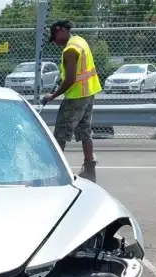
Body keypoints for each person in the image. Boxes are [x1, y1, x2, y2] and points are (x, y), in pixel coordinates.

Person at [40, 20, 102, 183]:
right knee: (84, 131)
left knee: (61, 133)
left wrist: (52, 96)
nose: (54, 42)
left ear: (60, 31)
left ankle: (54, 172)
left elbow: (70, 80)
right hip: (88, 93)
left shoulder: (70, 50)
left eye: (54, 38)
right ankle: (90, 169)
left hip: (75, 97)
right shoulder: (80, 41)